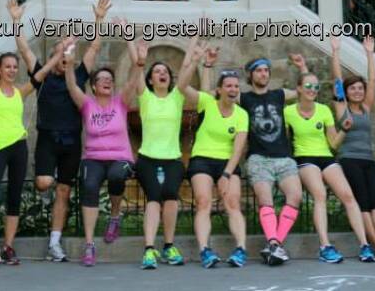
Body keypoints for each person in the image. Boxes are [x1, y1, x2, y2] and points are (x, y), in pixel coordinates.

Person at [33, 0, 111, 262]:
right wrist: (60, 48)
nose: (65, 57)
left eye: (68, 54)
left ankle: (55, 243)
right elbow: (23, 50)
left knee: (64, 191)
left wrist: (99, 20)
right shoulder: (42, 77)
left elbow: (95, 47)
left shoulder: (78, 75)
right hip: (47, 137)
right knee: (44, 183)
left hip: (71, 140)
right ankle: (47, 186)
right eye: (60, 53)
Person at [286, 61, 375, 263]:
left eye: (316, 87)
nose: (312, 90)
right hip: (304, 158)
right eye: (308, 86)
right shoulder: (288, 112)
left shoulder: (324, 110)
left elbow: (334, 144)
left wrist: (344, 129)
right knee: (319, 194)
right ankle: (325, 246)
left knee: (348, 195)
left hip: (326, 156)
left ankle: (364, 246)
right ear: (299, 89)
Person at [63, 28, 138, 267]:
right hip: (93, 158)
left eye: (110, 80)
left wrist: (132, 45)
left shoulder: (121, 102)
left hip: (120, 157)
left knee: (117, 175)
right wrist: (69, 62)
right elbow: (72, 85)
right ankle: (89, 244)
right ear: (93, 86)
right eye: (101, 80)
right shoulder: (87, 104)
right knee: (90, 185)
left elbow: (135, 77)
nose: (107, 82)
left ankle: (115, 216)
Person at [178, 41, 249, 268]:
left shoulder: (241, 115)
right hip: (202, 160)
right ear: (219, 90)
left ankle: (240, 250)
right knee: (203, 202)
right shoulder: (207, 102)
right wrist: (197, 61)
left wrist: (227, 175)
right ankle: (205, 251)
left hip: (227, 163)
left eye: (236, 86)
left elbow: (238, 148)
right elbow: (181, 87)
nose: (233, 89)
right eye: (228, 86)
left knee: (233, 202)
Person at [330, 35, 375, 262]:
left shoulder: (367, 108)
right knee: (362, 201)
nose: (358, 91)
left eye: (360, 89)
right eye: (354, 89)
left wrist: (370, 54)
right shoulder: (342, 109)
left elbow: (373, 80)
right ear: (347, 92)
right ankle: (374, 243)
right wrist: (335, 51)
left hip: (369, 160)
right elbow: (337, 80)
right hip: (349, 160)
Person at [0, 0, 37, 266]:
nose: (12, 69)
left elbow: (39, 75)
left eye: (15, 66)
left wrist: (16, 23)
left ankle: (9, 246)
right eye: (8, 66)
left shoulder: (21, 92)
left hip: (19, 147)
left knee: (14, 197)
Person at [128, 34, 191, 269]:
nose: (162, 73)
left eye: (165, 71)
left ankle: (168, 245)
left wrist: (194, 41)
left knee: (171, 198)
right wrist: (135, 50)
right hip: (147, 159)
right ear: (151, 80)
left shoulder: (177, 97)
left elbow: (186, 66)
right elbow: (137, 72)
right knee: (154, 198)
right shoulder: (145, 97)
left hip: (173, 159)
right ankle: (149, 249)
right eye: (157, 71)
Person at [241, 54, 308, 265]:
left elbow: (305, 89)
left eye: (266, 71)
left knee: (295, 196)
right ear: (251, 75)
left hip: (284, 157)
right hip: (258, 158)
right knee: (265, 200)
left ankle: (274, 244)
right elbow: (215, 95)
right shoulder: (243, 98)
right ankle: (274, 244)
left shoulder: (279, 95)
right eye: (259, 70)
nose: (263, 74)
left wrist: (302, 67)